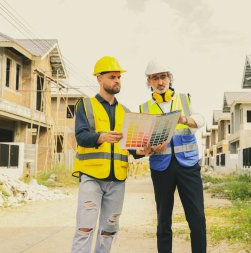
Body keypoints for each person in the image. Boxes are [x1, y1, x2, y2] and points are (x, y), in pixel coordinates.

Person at [71, 56, 145, 253]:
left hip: (117, 179)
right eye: (112, 77)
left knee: (109, 230)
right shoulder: (86, 106)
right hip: (92, 177)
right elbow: (81, 137)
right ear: (99, 78)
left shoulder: (126, 112)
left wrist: (142, 151)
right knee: (85, 228)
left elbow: (131, 148)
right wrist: (101, 137)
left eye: (119, 77)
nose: (117, 80)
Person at [139, 60, 207, 253]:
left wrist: (185, 119)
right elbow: (142, 141)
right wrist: (149, 147)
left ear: (170, 78)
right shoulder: (144, 108)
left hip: (188, 165)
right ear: (149, 81)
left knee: (197, 218)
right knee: (163, 220)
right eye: (155, 78)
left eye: (163, 77)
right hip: (161, 167)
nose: (160, 82)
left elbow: (201, 120)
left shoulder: (184, 99)